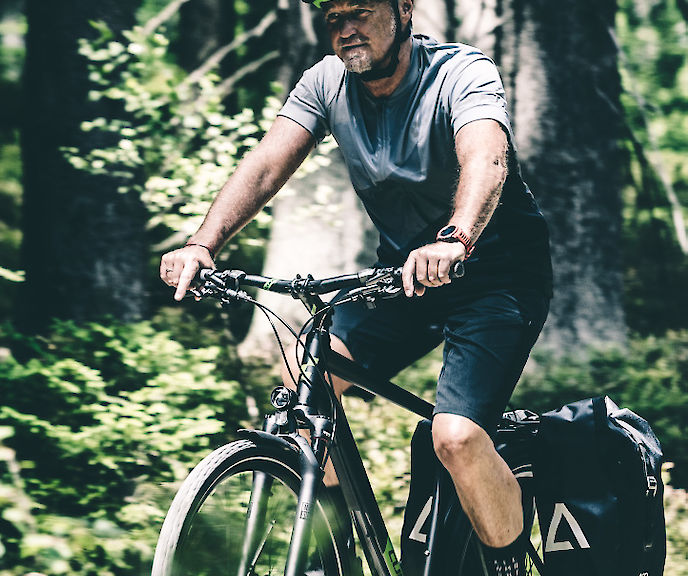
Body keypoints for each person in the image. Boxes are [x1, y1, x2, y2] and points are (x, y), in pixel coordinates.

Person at [159, 0, 551, 573]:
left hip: (496, 274)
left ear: (404, 10)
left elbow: (486, 159)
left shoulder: (461, 72)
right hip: (405, 275)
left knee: (456, 438)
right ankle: (338, 554)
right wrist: (202, 244)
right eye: (333, 17)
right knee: (307, 386)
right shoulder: (326, 82)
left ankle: (511, 567)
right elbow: (266, 165)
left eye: (360, 12)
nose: (346, 30)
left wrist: (457, 237)